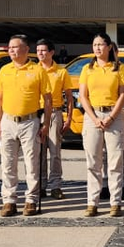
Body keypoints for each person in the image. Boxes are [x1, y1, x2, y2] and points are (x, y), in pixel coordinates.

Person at [0, 35, 51, 217]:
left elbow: (48, 99)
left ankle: (31, 200)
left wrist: (46, 124)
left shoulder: (37, 70)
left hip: (30, 121)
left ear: (26, 49)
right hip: (8, 120)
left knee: (32, 163)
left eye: (15, 47)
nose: (11, 50)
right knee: (8, 163)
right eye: (10, 47)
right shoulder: (4, 70)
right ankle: (9, 200)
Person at [78, 33, 124, 216]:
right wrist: (94, 118)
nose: (97, 48)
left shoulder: (120, 69)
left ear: (109, 47)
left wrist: (110, 117)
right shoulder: (87, 69)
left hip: (114, 116)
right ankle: (92, 202)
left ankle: (115, 202)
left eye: (101, 44)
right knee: (93, 161)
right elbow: (83, 96)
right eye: (94, 45)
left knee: (115, 161)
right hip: (92, 115)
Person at [36, 39, 73, 200]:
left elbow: (69, 97)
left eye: (43, 50)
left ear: (51, 52)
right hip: (37, 114)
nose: (40, 54)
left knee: (55, 151)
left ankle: (56, 185)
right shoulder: (33, 70)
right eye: (38, 51)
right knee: (39, 152)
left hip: (55, 113)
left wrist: (69, 118)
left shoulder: (61, 72)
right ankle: (41, 185)